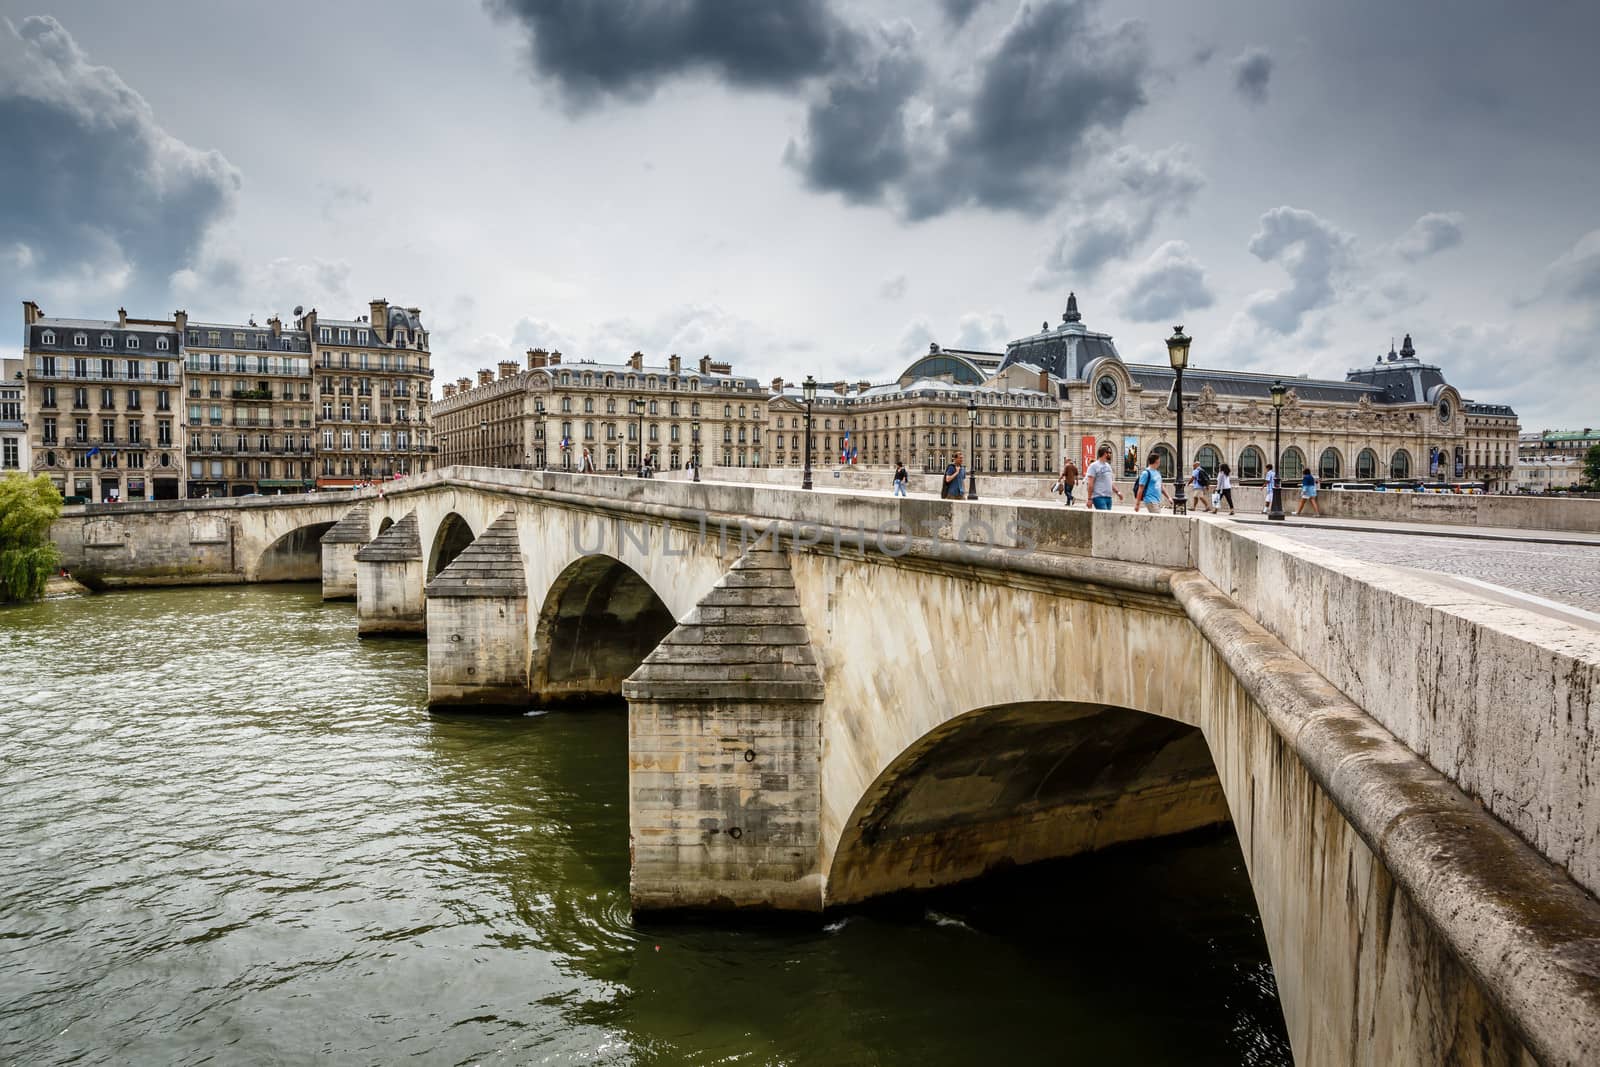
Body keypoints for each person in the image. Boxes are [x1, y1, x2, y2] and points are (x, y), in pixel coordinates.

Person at [1084, 443, 1122, 510]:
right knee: (1104, 517)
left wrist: (1118, 492)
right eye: (1109, 452)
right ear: (1105, 453)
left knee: (1107, 519)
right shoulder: (1094, 466)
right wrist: (1089, 499)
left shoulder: (1108, 466)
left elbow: (1110, 482)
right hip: (1099, 497)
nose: (1111, 454)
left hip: (1109, 497)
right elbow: (1090, 484)